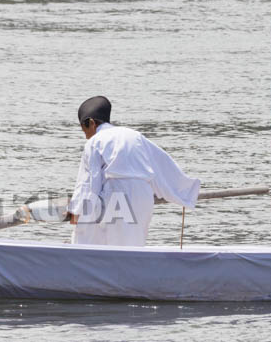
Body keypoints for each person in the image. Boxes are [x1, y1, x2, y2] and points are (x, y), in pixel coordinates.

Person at [67, 95, 200, 246]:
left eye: (84, 131)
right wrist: (185, 193)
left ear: (91, 123)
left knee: (99, 241)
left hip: (116, 196)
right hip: (143, 195)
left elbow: (89, 183)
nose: (86, 136)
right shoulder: (135, 136)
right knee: (134, 245)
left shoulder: (94, 142)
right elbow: (161, 166)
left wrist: (77, 213)